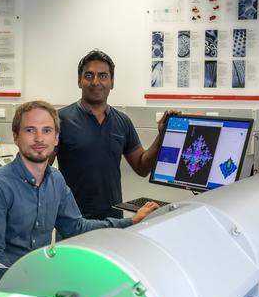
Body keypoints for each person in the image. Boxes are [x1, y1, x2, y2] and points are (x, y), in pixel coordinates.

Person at [0, 100, 158, 287]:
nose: (39, 138)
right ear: (16, 137)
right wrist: (32, 291)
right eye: (30, 130)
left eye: (47, 130)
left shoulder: (55, 180)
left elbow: (76, 227)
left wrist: (131, 222)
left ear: (57, 138)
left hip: (33, 283)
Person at [53, 49, 177, 219]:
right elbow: (42, 170)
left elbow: (142, 167)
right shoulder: (60, 120)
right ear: (79, 81)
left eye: (103, 76)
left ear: (112, 82)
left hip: (112, 218)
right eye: (89, 75)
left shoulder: (122, 122)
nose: (95, 82)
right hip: (72, 219)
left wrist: (162, 136)